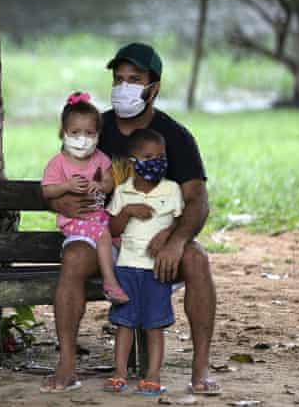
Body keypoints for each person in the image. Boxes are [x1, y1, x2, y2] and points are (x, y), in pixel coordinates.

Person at [40, 42, 221, 396]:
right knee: (74, 257)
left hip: (157, 240)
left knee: (197, 259)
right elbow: (55, 180)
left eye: (134, 80)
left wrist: (176, 240)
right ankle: (66, 365)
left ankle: (200, 369)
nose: (124, 87)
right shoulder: (93, 127)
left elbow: (197, 200)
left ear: (154, 87)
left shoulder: (176, 137)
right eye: (118, 79)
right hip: (105, 237)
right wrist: (61, 206)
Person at [102, 128, 183, 396]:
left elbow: (181, 221)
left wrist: (167, 233)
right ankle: (119, 373)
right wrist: (127, 211)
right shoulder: (123, 192)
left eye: (161, 156)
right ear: (132, 163)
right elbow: (112, 228)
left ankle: (153, 375)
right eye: (149, 156)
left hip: (156, 271)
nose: (157, 161)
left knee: (154, 325)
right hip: (127, 267)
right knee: (124, 323)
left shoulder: (172, 190)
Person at [41, 91, 128, 306]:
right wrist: (66, 186)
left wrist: (99, 185)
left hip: (99, 217)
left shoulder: (100, 159)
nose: (83, 139)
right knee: (104, 236)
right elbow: (47, 191)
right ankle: (110, 284)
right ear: (63, 133)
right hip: (76, 223)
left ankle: (131, 286)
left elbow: (109, 183)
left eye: (89, 133)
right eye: (76, 132)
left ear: (98, 134)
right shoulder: (58, 163)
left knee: (123, 239)